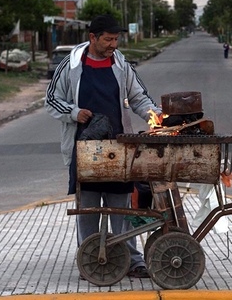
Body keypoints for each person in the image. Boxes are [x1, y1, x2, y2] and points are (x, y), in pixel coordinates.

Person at [45, 14, 162, 279]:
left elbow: (139, 98)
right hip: (83, 150)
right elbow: (52, 99)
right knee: (88, 209)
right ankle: (91, 260)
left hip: (118, 147)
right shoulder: (71, 65)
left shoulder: (121, 64)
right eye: (108, 39)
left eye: (116, 39)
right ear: (93, 38)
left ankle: (132, 261)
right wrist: (75, 113)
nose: (113, 44)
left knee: (122, 207)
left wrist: (157, 117)